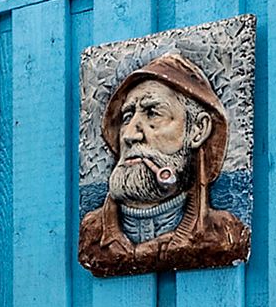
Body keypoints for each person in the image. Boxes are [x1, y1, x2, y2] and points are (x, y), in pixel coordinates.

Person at [76, 51, 251, 275]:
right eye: (127, 117)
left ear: (198, 130)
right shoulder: (91, 233)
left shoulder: (226, 233)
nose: (129, 135)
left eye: (153, 113)